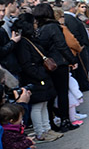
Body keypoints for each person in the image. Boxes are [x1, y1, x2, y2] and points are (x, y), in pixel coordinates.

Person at [12, 14, 62, 142]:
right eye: (33, 23)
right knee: (38, 106)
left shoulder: (27, 40)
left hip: (39, 76)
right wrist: (40, 73)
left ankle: (47, 129)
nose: (36, 25)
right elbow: (26, 64)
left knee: (43, 104)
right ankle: (41, 132)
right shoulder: (24, 42)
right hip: (35, 78)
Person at [34, 3, 80, 132]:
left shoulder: (38, 29)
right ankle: (65, 120)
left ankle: (51, 122)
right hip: (59, 63)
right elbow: (62, 46)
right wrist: (72, 60)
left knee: (51, 95)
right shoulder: (53, 27)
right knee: (62, 92)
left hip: (46, 64)